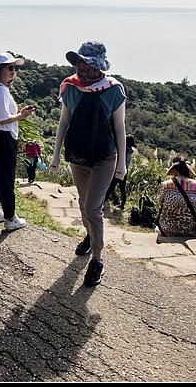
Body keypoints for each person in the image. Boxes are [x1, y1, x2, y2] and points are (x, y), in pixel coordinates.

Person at [49, 41, 127, 287]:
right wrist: (55, 154)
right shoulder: (70, 87)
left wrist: (122, 164)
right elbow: (64, 122)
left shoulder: (114, 89)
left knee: (93, 207)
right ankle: (90, 235)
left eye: (86, 62)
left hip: (105, 156)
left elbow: (119, 128)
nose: (80, 67)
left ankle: (97, 258)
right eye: (78, 62)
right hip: (78, 154)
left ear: (98, 65)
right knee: (83, 204)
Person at [0, 52, 35, 232]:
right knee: (6, 179)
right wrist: (22, 115)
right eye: (10, 67)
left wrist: (18, 113)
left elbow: (1, 116)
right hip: (3, 139)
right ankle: (11, 218)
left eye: (15, 68)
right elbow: (3, 118)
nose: (14, 71)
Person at [156, 156, 196, 237]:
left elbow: (160, 203)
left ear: (174, 170)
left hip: (167, 230)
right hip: (192, 232)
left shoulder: (165, 185)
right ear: (189, 170)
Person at [105, 135, 135, 207]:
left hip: (119, 170)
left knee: (110, 187)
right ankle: (122, 204)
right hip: (125, 171)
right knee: (122, 189)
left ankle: (103, 203)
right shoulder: (130, 150)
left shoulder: (125, 150)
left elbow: (120, 160)